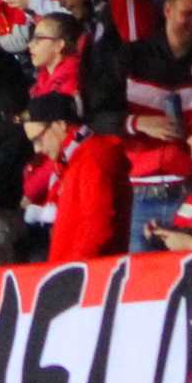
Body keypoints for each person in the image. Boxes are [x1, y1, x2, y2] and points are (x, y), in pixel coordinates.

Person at [25, 94, 131, 263]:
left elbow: (97, 226)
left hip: (86, 272)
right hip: (71, 269)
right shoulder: (68, 162)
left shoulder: (93, 156)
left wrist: (74, 269)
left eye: (39, 138)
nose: (37, 149)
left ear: (60, 125)